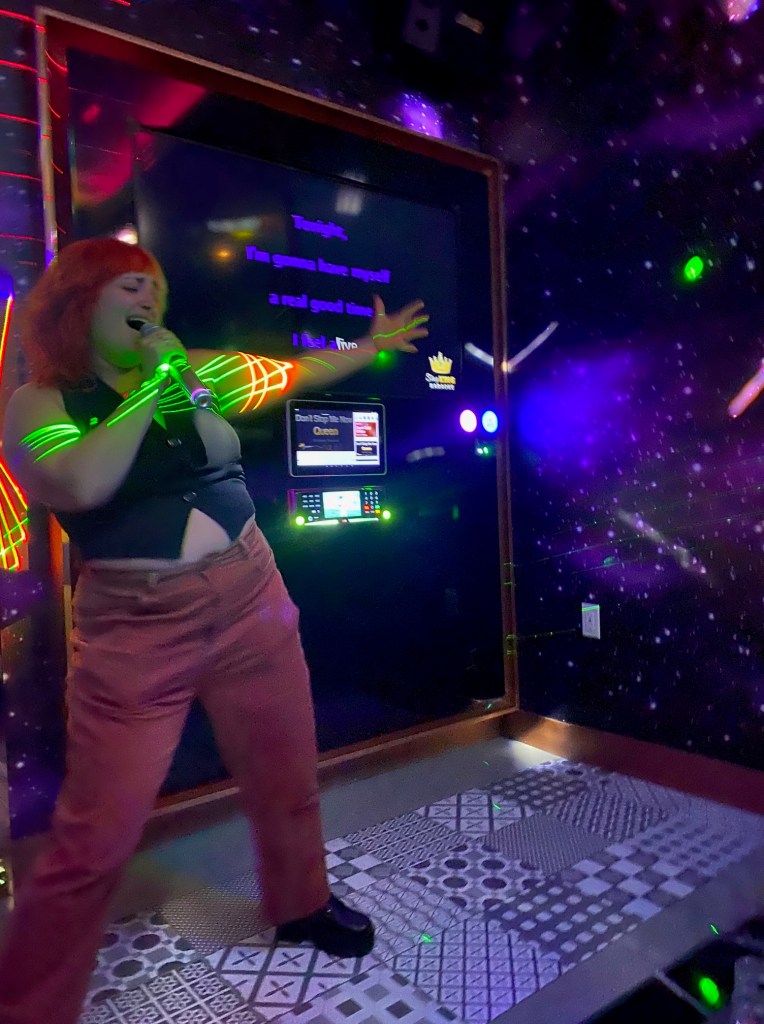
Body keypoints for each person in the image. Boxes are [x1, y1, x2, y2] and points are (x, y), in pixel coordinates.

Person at [0, 237, 428, 1024]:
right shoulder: (40, 402)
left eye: (155, 292)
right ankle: (30, 1005)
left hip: (250, 595)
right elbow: (81, 482)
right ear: (78, 302)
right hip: (135, 630)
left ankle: (301, 904)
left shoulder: (195, 367)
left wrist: (369, 347)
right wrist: (152, 386)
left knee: (287, 779)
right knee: (95, 837)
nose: (149, 303)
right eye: (130, 288)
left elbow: (293, 373)